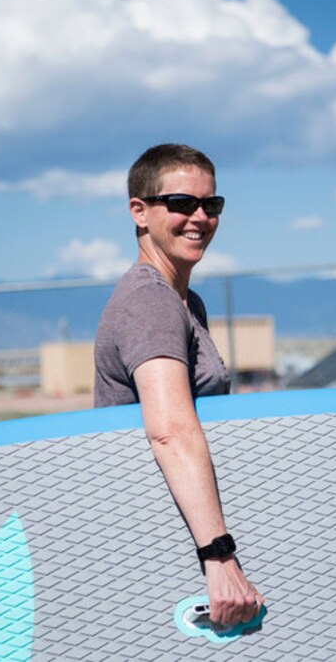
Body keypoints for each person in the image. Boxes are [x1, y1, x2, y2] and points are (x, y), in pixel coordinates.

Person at [94, 144, 264, 628]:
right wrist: (219, 556)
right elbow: (169, 430)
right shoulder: (151, 301)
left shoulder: (185, 301)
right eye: (182, 203)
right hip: (166, 544)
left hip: (179, 531)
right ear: (140, 212)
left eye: (211, 205)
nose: (200, 217)